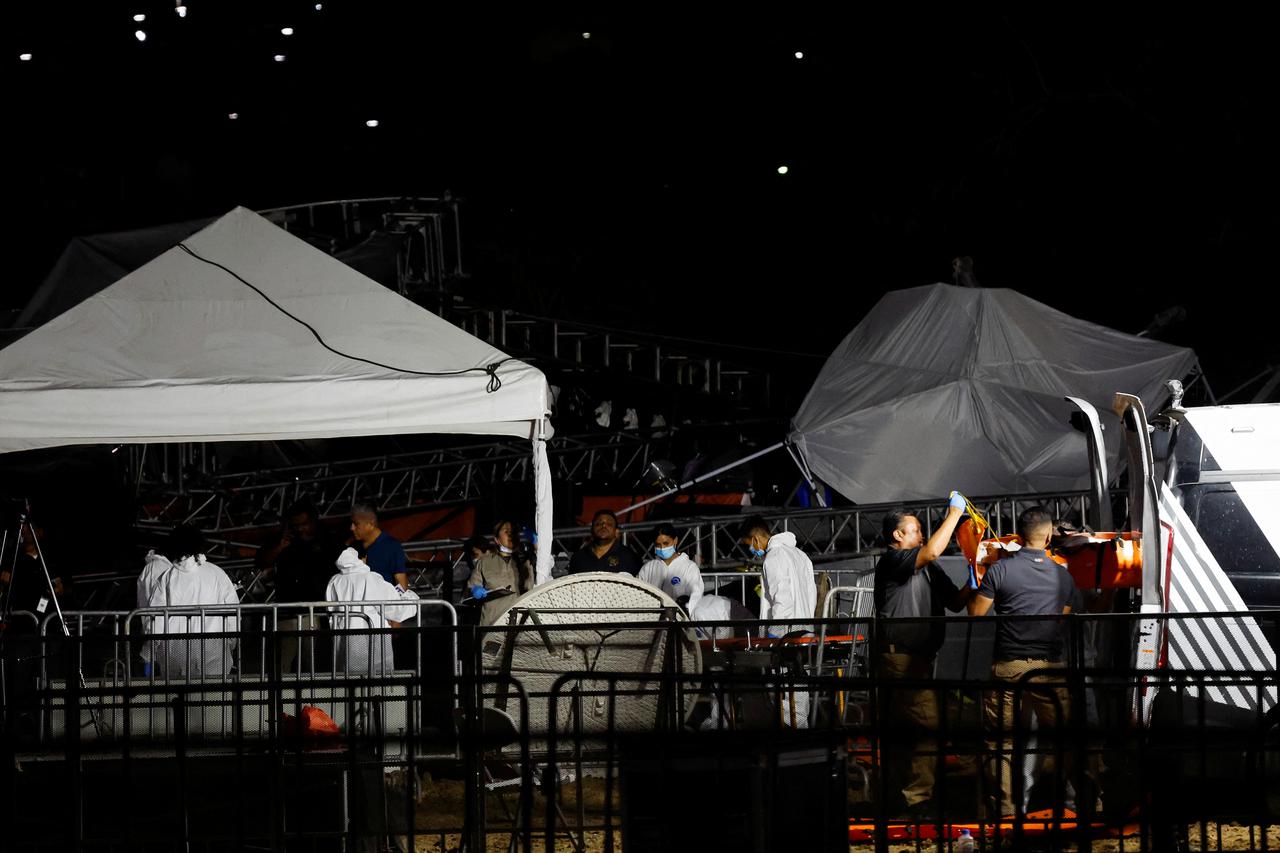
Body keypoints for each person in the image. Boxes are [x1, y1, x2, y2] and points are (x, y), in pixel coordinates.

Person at [968, 505, 1078, 819]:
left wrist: (978, 576)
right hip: (1049, 666)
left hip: (1008, 666)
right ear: (1047, 536)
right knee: (1070, 738)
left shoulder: (999, 570)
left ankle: (1005, 810)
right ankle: (1086, 803)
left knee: (1000, 743)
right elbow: (1063, 620)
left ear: (1017, 536)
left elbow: (975, 614)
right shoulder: (1062, 575)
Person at [872, 492, 977, 818]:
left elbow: (957, 603)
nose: (921, 535)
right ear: (897, 536)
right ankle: (918, 800)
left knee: (906, 729)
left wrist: (976, 578)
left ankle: (898, 798)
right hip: (901, 658)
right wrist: (954, 514)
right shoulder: (893, 560)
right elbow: (932, 550)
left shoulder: (927, 567)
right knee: (929, 725)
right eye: (915, 530)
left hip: (915, 658)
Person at [741, 517, 818, 727]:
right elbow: (811, 593)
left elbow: (781, 599)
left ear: (756, 539)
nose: (751, 551)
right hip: (805, 625)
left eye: (749, 545)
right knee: (799, 686)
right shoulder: (801, 555)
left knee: (783, 688)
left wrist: (774, 635)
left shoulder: (773, 558)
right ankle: (800, 730)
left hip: (785, 629)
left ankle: (791, 736)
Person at [143, 525, 239, 679]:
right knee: (213, 697)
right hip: (213, 646)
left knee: (176, 696)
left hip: (173, 649)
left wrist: (149, 652)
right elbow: (233, 613)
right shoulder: (217, 573)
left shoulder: (167, 577)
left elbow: (155, 621)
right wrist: (231, 643)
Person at [256, 500, 340, 674]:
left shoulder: (327, 539)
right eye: (296, 525)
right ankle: (280, 699)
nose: (301, 528)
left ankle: (315, 699)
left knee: (315, 665)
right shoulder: (284, 539)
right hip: (287, 612)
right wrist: (281, 546)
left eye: (304, 524)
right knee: (281, 666)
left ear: (314, 521)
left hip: (315, 613)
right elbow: (261, 562)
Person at [326, 547, 418, 675]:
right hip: (371, 642)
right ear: (363, 558)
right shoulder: (371, 579)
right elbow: (397, 609)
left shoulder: (335, 581)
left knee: (348, 683)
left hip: (344, 644)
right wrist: (410, 596)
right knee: (375, 683)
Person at [468, 520, 534, 625]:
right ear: (497, 540)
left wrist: (536, 545)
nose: (511, 535)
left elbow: (544, 568)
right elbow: (471, 587)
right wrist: (475, 590)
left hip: (521, 621)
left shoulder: (527, 559)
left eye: (514, 532)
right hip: (493, 622)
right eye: (507, 532)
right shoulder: (485, 562)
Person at [637, 523, 704, 612]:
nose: (662, 548)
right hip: (652, 619)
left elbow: (696, 598)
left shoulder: (689, 567)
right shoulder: (648, 568)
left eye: (666, 543)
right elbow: (637, 594)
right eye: (658, 545)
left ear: (675, 540)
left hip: (679, 620)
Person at [350, 504, 408, 590]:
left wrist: (388, 600)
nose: (352, 528)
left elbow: (402, 586)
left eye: (356, 524)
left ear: (371, 523)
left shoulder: (391, 546)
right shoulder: (353, 547)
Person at [567, 509, 640, 576]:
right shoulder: (578, 557)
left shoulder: (630, 557)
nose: (603, 526)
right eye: (598, 523)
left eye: (609, 524)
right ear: (591, 530)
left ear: (616, 532)